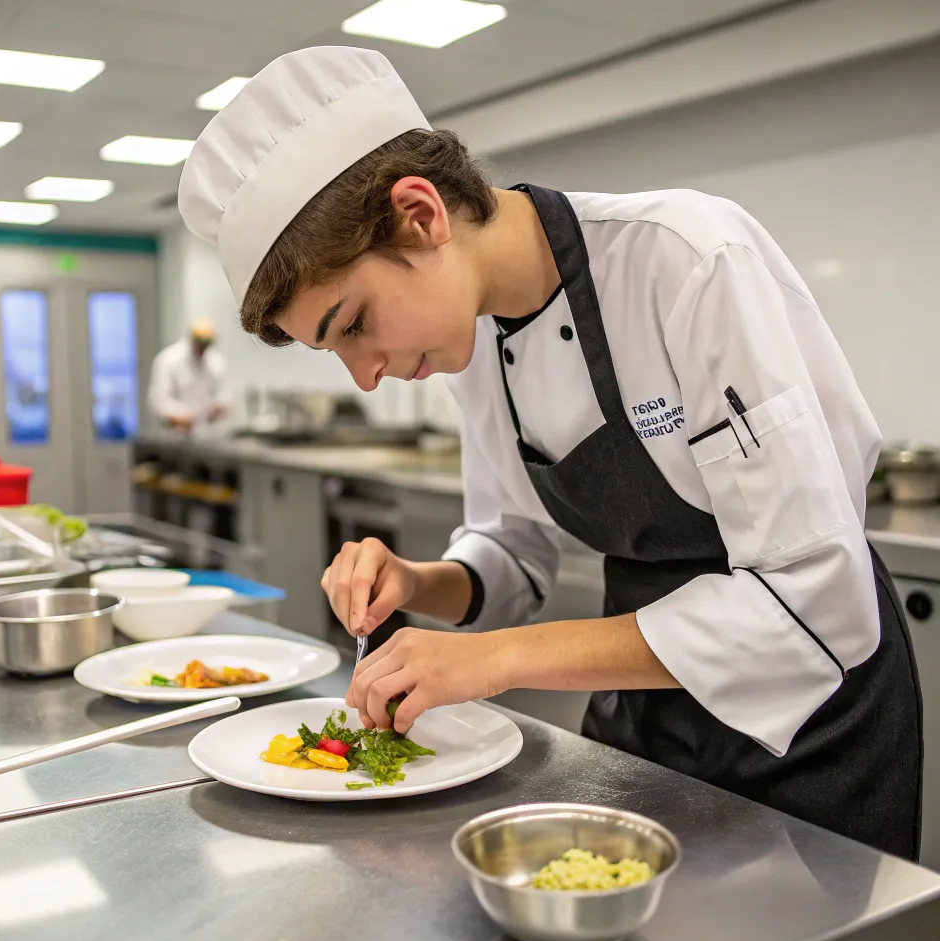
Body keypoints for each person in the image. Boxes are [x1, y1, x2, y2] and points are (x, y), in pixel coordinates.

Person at [178, 47, 922, 858]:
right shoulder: (471, 342)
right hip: (647, 715)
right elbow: (516, 555)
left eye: (352, 324)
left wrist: (493, 661)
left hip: (813, 731)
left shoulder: (684, 261)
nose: (366, 377)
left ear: (421, 216)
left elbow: (810, 600)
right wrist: (416, 582)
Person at [147, 318, 229, 431]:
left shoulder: (215, 362)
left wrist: (217, 408)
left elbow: (222, 396)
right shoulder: (168, 360)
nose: (202, 349)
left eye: (206, 345)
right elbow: (158, 401)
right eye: (200, 343)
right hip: (174, 434)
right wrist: (182, 417)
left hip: (206, 433)